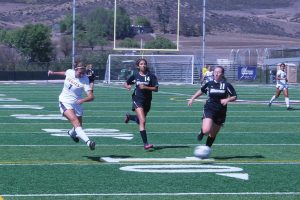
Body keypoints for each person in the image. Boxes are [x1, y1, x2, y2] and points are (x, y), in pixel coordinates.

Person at [188, 66, 237, 158]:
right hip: (209, 108)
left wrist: (227, 100)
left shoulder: (226, 85)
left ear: (222, 74)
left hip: (221, 112)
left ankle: (206, 150)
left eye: (218, 72)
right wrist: (192, 98)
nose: (216, 74)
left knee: (213, 134)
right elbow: (201, 91)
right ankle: (202, 132)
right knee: (207, 130)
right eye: (215, 72)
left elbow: (234, 96)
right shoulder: (210, 84)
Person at [48, 62, 96, 150]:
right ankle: (89, 142)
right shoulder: (70, 72)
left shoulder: (85, 80)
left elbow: (91, 97)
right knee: (76, 122)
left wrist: (83, 99)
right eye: (80, 72)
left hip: (77, 103)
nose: (81, 74)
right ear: (76, 70)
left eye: (83, 73)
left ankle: (72, 133)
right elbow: (65, 73)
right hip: (65, 101)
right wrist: (53, 73)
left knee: (79, 125)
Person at [123, 58, 159, 150]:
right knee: (143, 121)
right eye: (141, 64)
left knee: (140, 120)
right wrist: (128, 86)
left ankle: (130, 117)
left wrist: (145, 87)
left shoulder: (151, 76)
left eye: (144, 64)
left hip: (147, 100)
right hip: (137, 99)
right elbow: (125, 83)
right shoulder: (135, 75)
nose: (143, 65)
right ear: (138, 66)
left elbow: (156, 89)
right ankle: (146, 144)